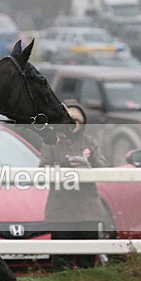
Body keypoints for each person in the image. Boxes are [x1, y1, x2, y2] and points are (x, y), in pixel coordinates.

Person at [39, 103, 108, 269]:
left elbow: (105, 169)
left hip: (88, 210)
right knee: (62, 259)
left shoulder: (90, 142)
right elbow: (42, 171)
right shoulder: (50, 142)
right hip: (61, 209)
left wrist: (91, 159)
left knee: (88, 260)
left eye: (77, 120)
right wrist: (63, 165)